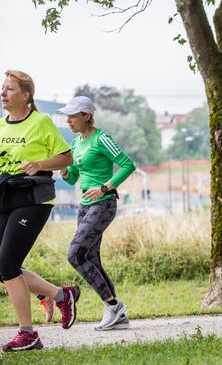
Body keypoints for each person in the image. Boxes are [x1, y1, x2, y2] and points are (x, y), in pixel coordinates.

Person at [0, 70, 78, 352]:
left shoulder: (41, 122)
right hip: (5, 199)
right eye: (3, 88)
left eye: (9, 89)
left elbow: (67, 157)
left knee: (7, 265)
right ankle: (60, 294)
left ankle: (28, 334)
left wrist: (40, 164)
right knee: (2, 267)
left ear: (26, 95)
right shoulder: (1, 125)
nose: (3, 93)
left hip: (32, 201)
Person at [57, 96, 136, 330]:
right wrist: (63, 170)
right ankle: (118, 316)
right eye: (67, 116)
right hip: (84, 205)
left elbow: (128, 164)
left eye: (73, 116)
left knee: (75, 255)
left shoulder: (102, 138)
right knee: (90, 258)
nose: (68, 120)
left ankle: (113, 305)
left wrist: (105, 187)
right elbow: (72, 176)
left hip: (103, 203)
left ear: (87, 116)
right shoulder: (75, 142)